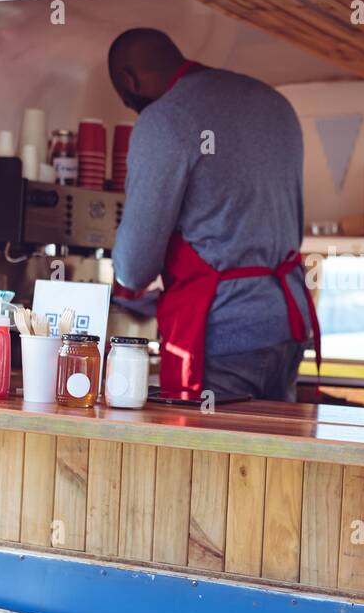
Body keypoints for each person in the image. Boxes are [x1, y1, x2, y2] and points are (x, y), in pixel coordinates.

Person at [108, 28, 317, 401]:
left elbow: (134, 268)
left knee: (208, 457)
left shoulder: (165, 119)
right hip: (287, 320)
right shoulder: (274, 103)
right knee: (271, 456)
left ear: (128, 81)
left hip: (222, 330)